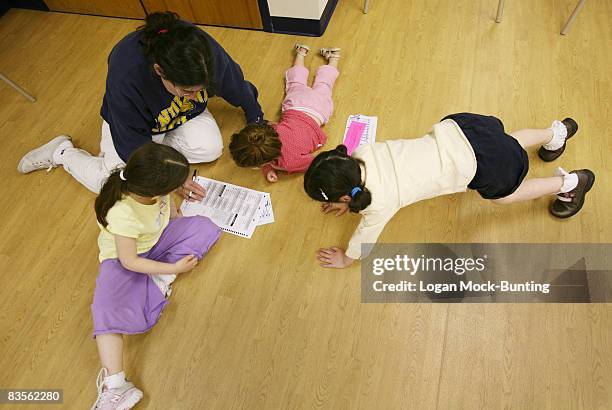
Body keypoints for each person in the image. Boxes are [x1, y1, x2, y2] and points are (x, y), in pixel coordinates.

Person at [18, 11, 264, 202]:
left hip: (177, 116)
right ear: (160, 71)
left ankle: (159, 151)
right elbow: (131, 145)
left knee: (210, 149)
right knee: (114, 184)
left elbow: (234, 83)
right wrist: (171, 178)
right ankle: (62, 152)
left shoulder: (200, 50)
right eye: (188, 90)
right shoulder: (126, 74)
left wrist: (257, 122)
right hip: (136, 128)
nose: (197, 95)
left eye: (202, 88)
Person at [303, 113, 595, 268]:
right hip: (462, 129)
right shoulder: (363, 151)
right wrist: (345, 200)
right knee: (506, 143)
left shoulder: (378, 202)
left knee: (504, 196)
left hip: (476, 163)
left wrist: (347, 259)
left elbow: (364, 239)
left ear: (344, 195)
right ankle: (557, 133)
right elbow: (355, 182)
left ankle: (570, 184)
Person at [90, 143, 221, 409]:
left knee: (205, 227)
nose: (182, 187)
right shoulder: (122, 213)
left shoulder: (152, 189)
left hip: (154, 242)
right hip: (123, 259)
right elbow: (129, 260)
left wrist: (177, 218)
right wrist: (174, 269)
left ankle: (155, 279)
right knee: (105, 309)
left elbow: (169, 212)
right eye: (179, 183)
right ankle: (115, 386)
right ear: (157, 189)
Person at [229, 44, 340, 182]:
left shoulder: (288, 163)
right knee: (296, 83)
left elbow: (312, 162)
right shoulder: (269, 130)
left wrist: (277, 169)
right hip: (296, 104)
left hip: (319, 110)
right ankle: (301, 54)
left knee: (324, 85)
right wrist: (269, 166)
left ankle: (334, 58)